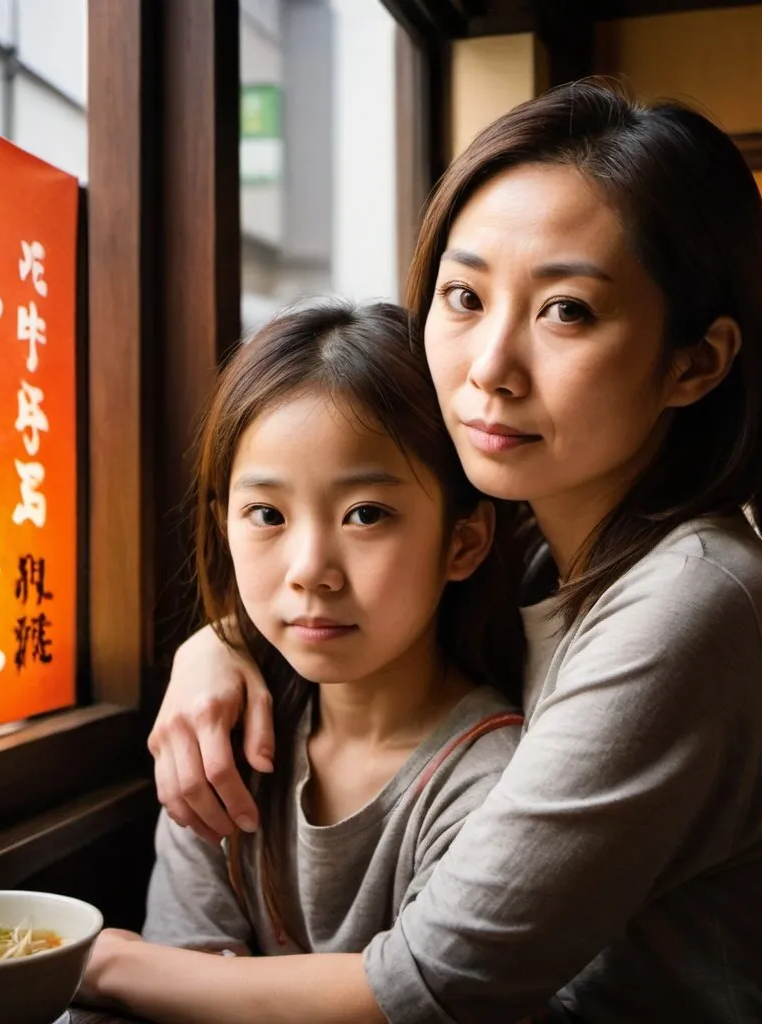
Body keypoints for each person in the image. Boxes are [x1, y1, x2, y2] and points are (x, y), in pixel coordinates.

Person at [91, 80, 762, 1022]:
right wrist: (218, 642)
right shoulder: (541, 545)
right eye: (464, 296)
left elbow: (428, 988)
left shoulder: (692, 599)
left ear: (693, 362)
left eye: (567, 312)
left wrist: (89, 963)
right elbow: (349, 577)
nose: (488, 367)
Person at [80, 301, 526, 1020]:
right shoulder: (220, 737)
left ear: (463, 542)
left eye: (367, 515)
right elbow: (176, 987)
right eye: (268, 516)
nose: (310, 569)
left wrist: (112, 965)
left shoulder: (495, 783)